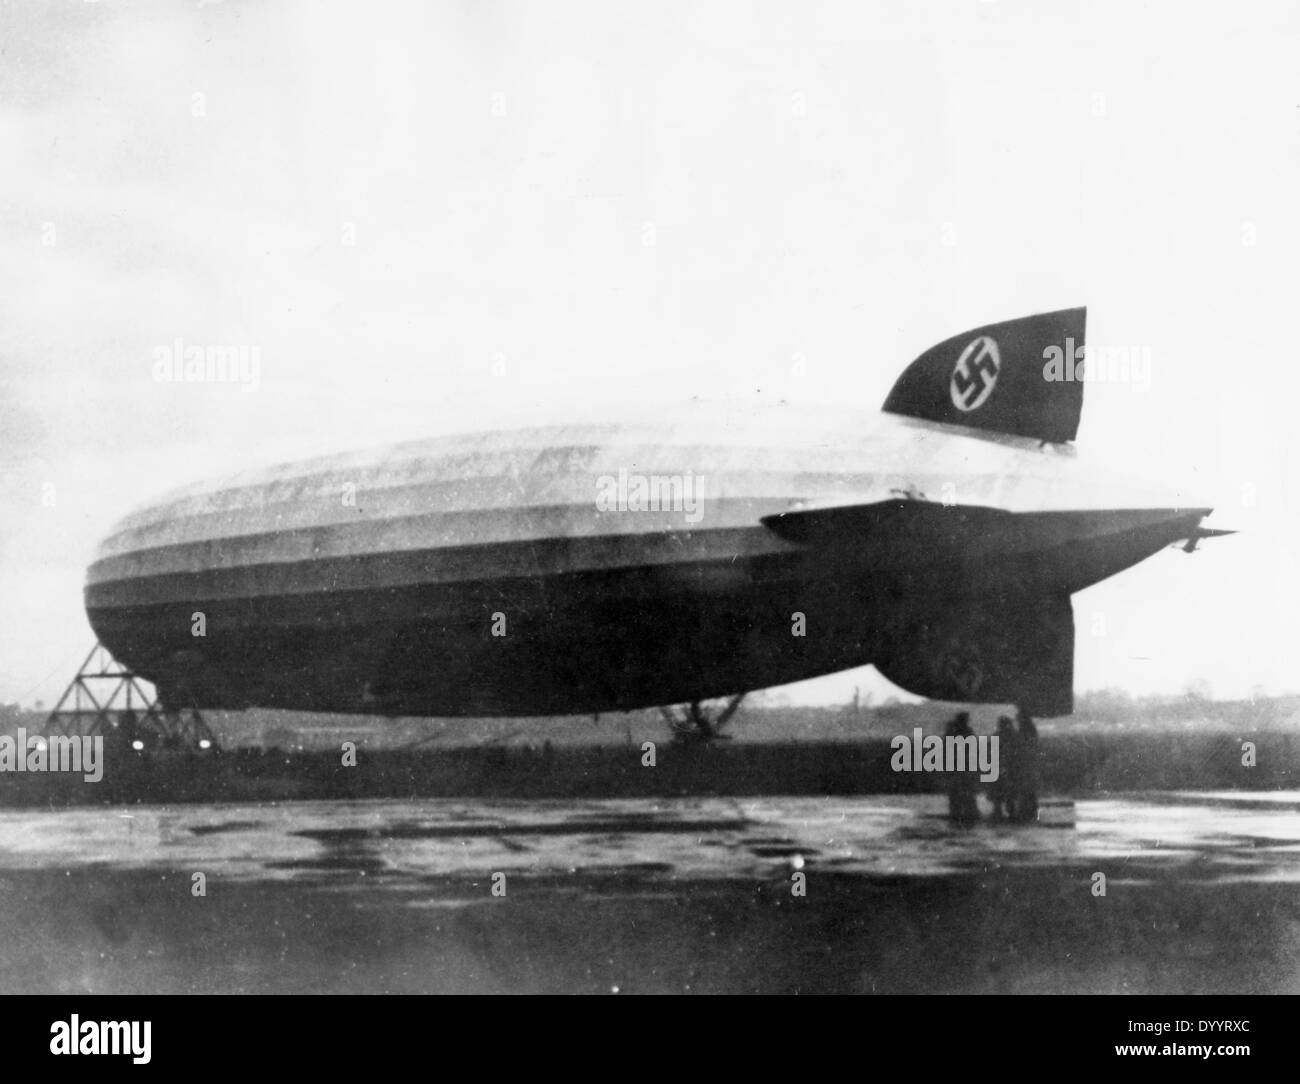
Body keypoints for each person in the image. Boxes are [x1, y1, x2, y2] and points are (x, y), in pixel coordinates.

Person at [943, 712, 980, 826]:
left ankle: (957, 814)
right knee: (967, 793)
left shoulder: (953, 733)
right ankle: (969, 813)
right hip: (964, 767)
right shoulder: (968, 732)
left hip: (957, 768)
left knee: (957, 793)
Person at [989, 715, 1019, 820]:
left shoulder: (997, 735)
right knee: (1008, 793)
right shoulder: (1013, 736)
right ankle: (1010, 813)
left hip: (1000, 767)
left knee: (999, 793)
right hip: (1008, 768)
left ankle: (1000, 813)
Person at [1013, 707, 1040, 823]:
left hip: (1025, 763)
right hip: (1029, 762)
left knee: (1025, 788)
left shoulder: (1024, 730)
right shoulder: (1030, 729)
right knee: (1028, 789)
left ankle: (1026, 812)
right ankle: (1030, 811)